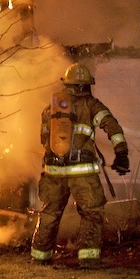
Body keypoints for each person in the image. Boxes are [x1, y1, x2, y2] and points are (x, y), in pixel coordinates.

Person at [31, 63, 130, 268]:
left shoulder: (52, 107)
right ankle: (88, 258)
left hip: (53, 171)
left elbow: (43, 139)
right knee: (92, 212)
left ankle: (40, 256)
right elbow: (112, 127)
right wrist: (121, 153)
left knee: (49, 213)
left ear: (67, 84)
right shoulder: (91, 105)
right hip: (82, 172)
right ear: (85, 85)